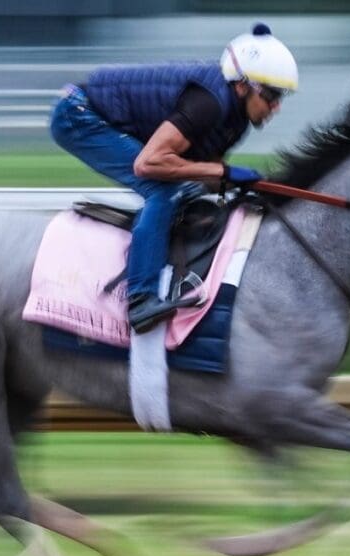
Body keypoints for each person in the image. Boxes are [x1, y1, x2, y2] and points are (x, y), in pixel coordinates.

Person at [50, 23, 298, 334]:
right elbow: (149, 163)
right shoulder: (209, 104)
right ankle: (140, 299)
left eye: (281, 97)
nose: (276, 107)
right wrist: (224, 172)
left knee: (186, 188)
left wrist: (244, 184)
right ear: (242, 86)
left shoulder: (237, 121)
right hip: (78, 115)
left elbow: (204, 172)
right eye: (271, 95)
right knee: (162, 190)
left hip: (105, 116)